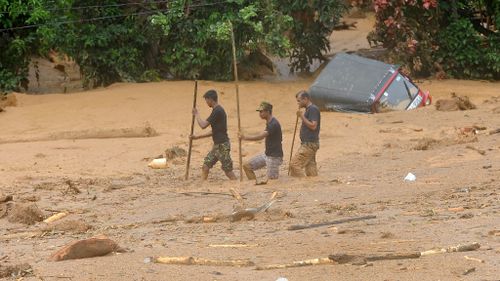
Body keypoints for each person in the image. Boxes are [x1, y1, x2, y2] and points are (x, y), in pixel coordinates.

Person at [191, 90, 237, 180]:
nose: (206, 102)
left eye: (206, 100)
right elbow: (214, 131)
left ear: (210, 99)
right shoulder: (216, 110)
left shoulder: (217, 111)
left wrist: (196, 114)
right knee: (206, 166)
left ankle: (236, 184)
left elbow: (203, 125)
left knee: (228, 170)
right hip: (217, 146)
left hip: (222, 145)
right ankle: (202, 184)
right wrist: (196, 137)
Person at [239, 102, 283, 181]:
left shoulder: (273, 124)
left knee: (272, 181)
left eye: (261, 111)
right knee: (247, 166)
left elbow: (261, 136)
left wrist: (245, 137)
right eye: (259, 112)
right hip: (267, 154)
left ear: (268, 112)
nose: (260, 114)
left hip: (274, 157)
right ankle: (254, 185)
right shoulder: (269, 122)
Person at [289, 90, 321, 177]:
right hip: (309, 143)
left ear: (305, 99)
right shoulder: (308, 109)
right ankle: (311, 186)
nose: (298, 103)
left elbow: (313, 126)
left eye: (299, 101)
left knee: (294, 165)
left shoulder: (313, 109)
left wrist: (301, 116)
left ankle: (300, 185)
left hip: (309, 144)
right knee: (311, 168)